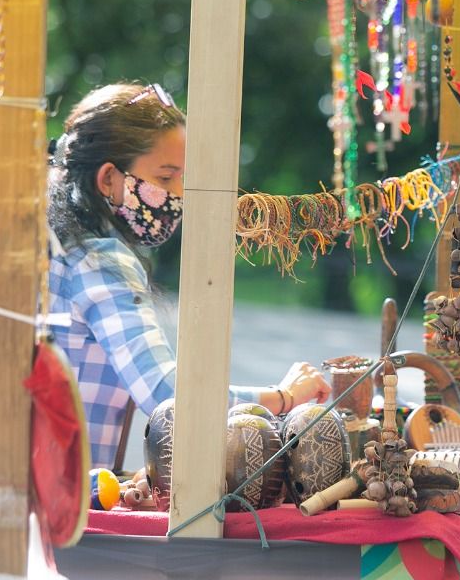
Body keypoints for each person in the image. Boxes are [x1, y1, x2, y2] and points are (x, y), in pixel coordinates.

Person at [47, 82, 329, 468]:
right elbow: (167, 397)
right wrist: (283, 397)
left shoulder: (51, 246)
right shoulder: (100, 260)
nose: (180, 193)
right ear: (108, 179)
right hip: (45, 509)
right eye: (165, 178)